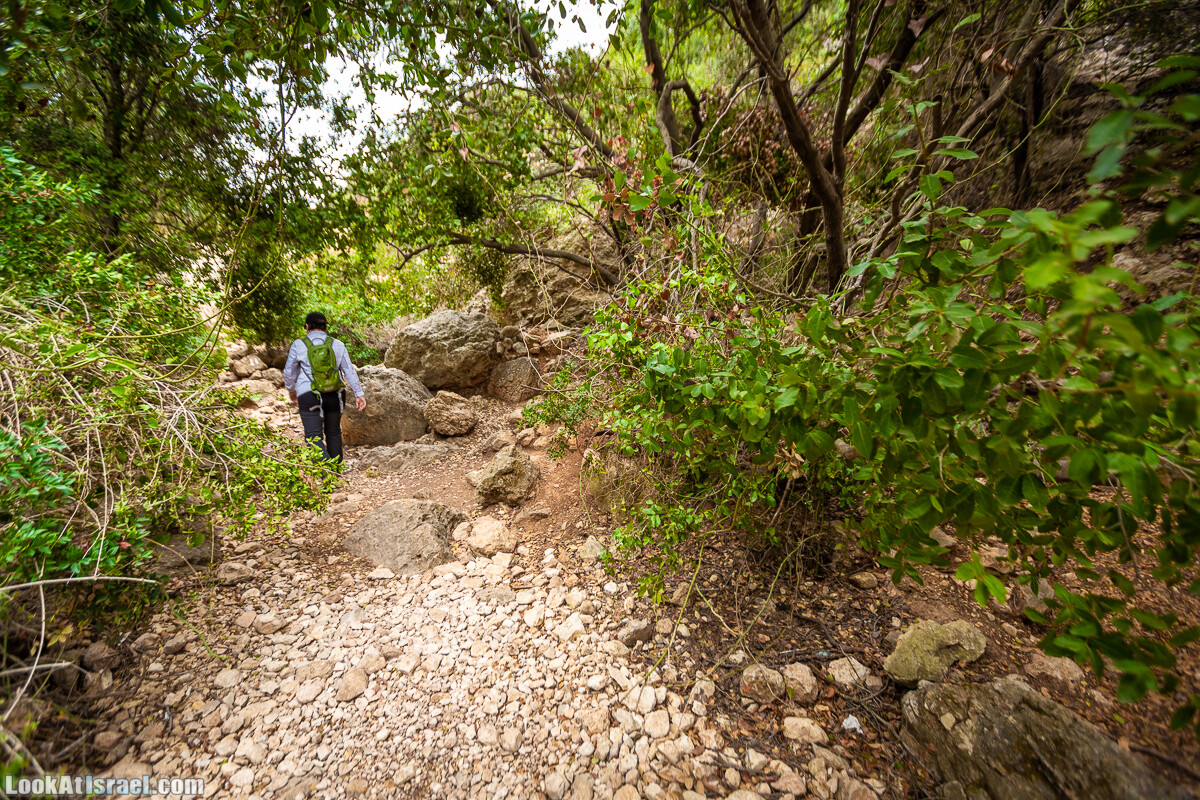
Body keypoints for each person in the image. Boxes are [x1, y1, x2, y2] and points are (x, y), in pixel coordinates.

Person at [282, 312, 366, 464]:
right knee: (333, 432)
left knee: (313, 436)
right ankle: (336, 468)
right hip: (336, 394)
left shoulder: (299, 345)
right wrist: (359, 394)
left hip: (308, 394)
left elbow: (289, 372)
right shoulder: (337, 344)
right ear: (325, 327)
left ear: (307, 326)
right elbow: (349, 371)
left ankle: (327, 474)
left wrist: (292, 390)